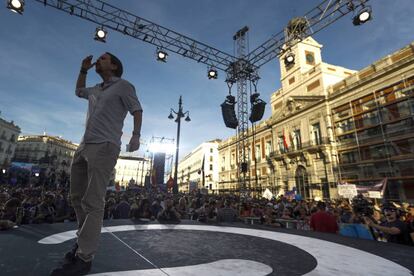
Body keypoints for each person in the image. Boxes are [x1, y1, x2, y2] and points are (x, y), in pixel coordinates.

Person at [51, 52, 143, 276]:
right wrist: (82, 70)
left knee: (93, 200)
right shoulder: (95, 89)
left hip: (105, 146)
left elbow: (137, 110)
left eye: (103, 58)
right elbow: (78, 91)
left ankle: (84, 257)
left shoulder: (124, 86)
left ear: (113, 66)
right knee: (76, 197)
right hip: (84, 145)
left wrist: (135, 135)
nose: (98, 61)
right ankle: (83, 241)